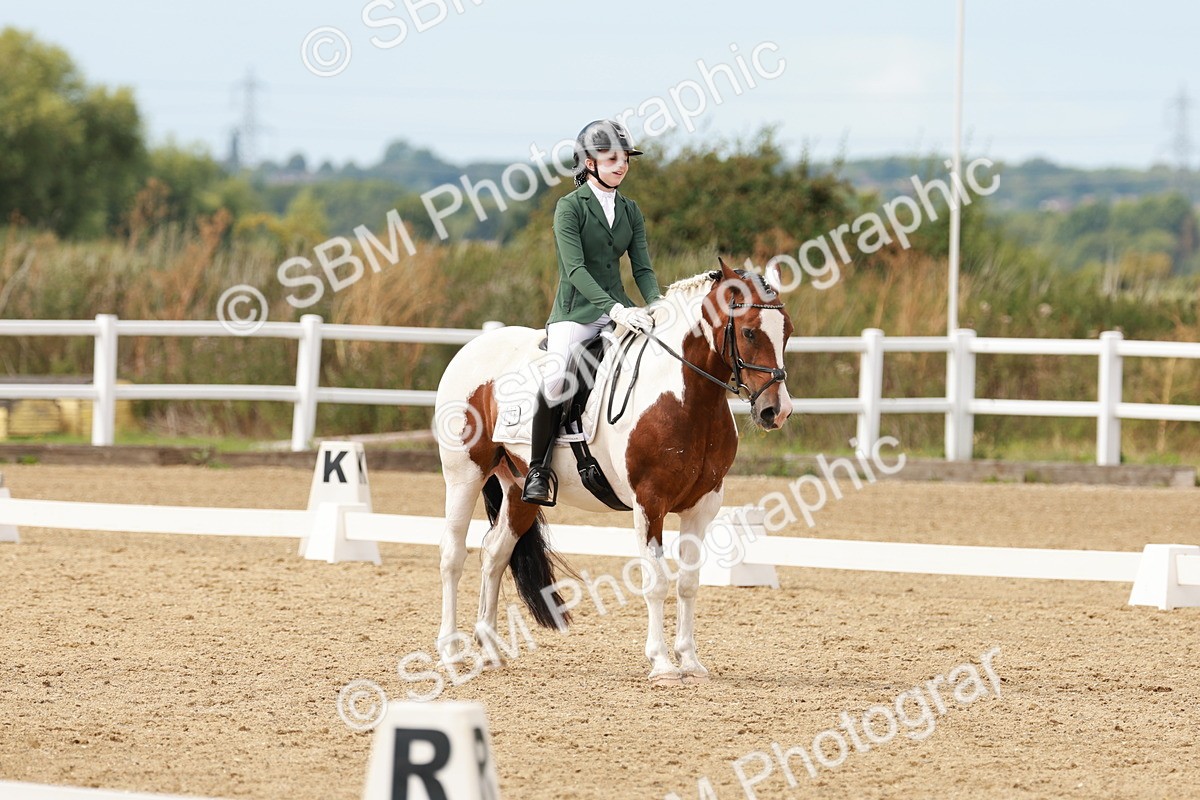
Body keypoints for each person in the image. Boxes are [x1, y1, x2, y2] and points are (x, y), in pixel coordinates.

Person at [521, 119, 663, 507]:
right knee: (556, 380)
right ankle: (538, 469)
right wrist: (615, 308)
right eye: (611, 157)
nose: (621, 165)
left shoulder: (631, 210)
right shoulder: (569, 208)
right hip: (576, 312)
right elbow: (575, 270)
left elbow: (643, 269)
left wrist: (656, 305)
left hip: (620, 308)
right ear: (587, 162)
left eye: (626, 159)